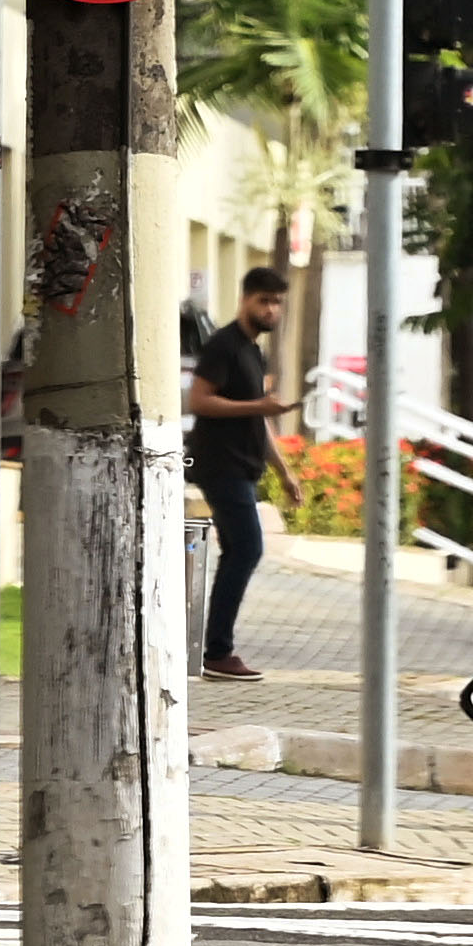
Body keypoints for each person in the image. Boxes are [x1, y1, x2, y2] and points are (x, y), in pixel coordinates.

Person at [183, 265, 292, 681]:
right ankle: (218, 651)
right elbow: (200, 401)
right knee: (247, 549)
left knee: (239, 551)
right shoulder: (223, 345)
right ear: (246, 299)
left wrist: (284, 472)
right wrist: (257, 408)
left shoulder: (252, 351)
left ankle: (216, 649)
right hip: (220, 464)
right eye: (264, 300)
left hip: (243, 467)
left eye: (277, 303)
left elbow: (260, 420)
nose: (271, 310)